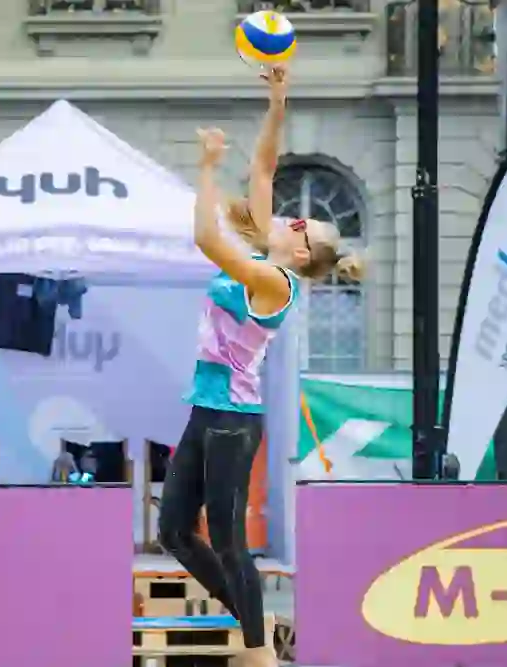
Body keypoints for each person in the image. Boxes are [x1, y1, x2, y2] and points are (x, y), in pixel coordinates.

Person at [157, 65, 363, 667]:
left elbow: (203, 235)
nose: (287, 217)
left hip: (233, 420)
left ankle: (258, 653)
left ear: (300, 250)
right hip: (208, 409)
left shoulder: (273, 279)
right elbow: (267, 167)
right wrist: (277, 101)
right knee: (174, 533)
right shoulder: (262, 255)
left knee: (227, 540)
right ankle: (258, 624)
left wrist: (205, 167)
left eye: (299, 224)